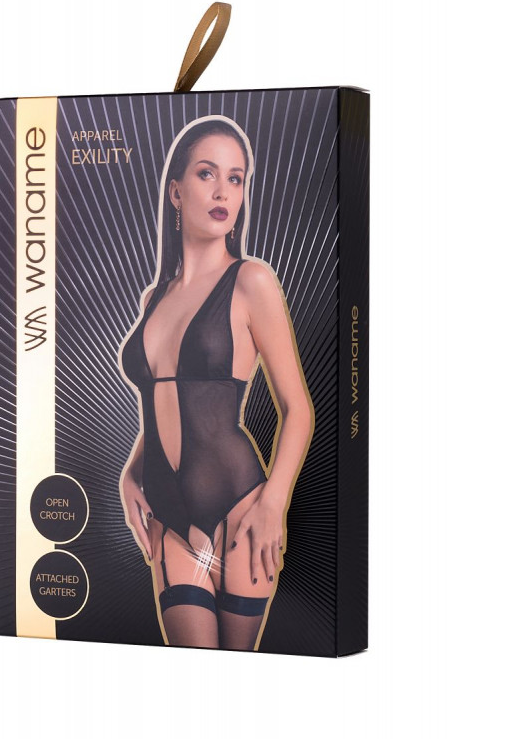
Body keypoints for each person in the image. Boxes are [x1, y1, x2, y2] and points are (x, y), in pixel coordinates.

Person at [119, 115, 314, 651]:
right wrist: (130, 471)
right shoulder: (154, 298)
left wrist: (273, 503)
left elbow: (297, 408)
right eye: (207, 174)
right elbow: (163, 401)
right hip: (168, 512)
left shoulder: (252, 281)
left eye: (236, 178)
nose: (223, 191)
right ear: (176, 191)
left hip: (240, 509)